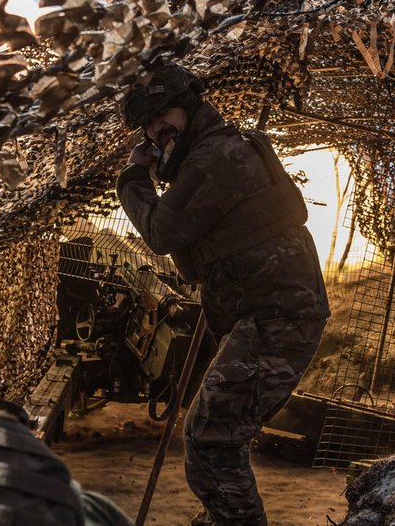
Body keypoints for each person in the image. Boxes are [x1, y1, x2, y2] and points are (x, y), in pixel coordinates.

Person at [116, 63, 330, 526]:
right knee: (214, 435)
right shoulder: (208, 155)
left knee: (213, 438)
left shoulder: (217, 156)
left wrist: (133, 179)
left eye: (162, 115)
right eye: (148, 125)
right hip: (264, 316)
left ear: (190, 105)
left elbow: (161, 231)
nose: (156, 131)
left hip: (278, 317)